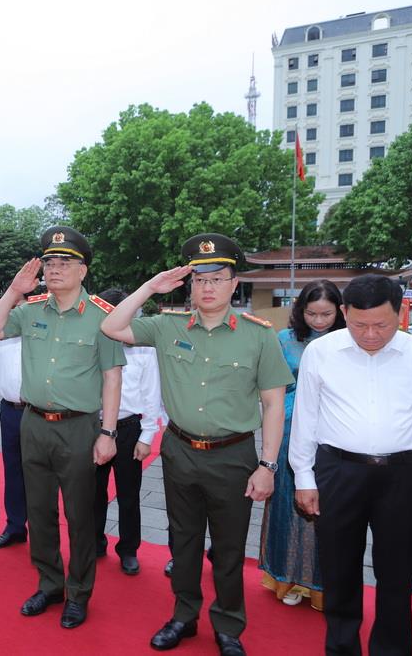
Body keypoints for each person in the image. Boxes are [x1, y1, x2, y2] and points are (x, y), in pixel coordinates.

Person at [100, 233, 292, 656]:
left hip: (235, 454)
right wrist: (151, 287)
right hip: (181, 451)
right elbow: (111, 325)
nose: (208, 287)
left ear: (234, 282)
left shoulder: (259, 336)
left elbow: (273, 404)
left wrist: (268, 465)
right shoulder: (166, 326)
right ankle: (184, 616)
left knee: (227, 547)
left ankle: (228, 625)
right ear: (188, 284)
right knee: (182, 541)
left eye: (218, 278)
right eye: (199, 279)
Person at [0, 226, 124, 630]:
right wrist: (14, 291)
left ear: (83, 270)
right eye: (49, 262)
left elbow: (113, 377)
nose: (55, 268)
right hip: (34, 423)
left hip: (79, 427)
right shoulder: (30, 310)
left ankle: (79, 593)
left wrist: (108, 433)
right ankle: (50, 583)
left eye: (64, 262)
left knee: (79, 516)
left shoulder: (102, 316)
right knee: (39, 511)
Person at [291, 275, 412, 656]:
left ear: (401, 313)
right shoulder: (323, 352)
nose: (369, 335)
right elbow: (306, 418)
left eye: (381, 325)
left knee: (397, 574)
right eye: (359, 324)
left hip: (404, 475)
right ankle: (342, 647)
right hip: (338, 471)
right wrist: (304, 477)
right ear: (344, 313)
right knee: (340, 570)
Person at [258, 280, 345, 611]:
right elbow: (275, 389)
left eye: (326, 314)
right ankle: (288, 576)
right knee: (287, 507)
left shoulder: (347, 340)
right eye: (311, 313)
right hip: (291, 430)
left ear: (339, 311)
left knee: (329, 510)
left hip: (334, 435)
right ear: (300, 311)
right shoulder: (286, 339)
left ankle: (325, 584)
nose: (319, 321)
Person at [91, 288, 165, 577]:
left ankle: (129, 549)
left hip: (129, 428)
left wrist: (147, 436)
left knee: (128, 493)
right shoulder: (92, 343)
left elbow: (152, 393)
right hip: (94, 427)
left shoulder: (143, 347)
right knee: (92, 492)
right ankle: (95, 542)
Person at [0, 310, 26, 549]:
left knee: (41, 475)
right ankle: (15, 526)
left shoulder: (37, 330)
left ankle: (43, 533)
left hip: (36, 412)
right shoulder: (0, 333)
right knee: (13, 471)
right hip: (9, 409)